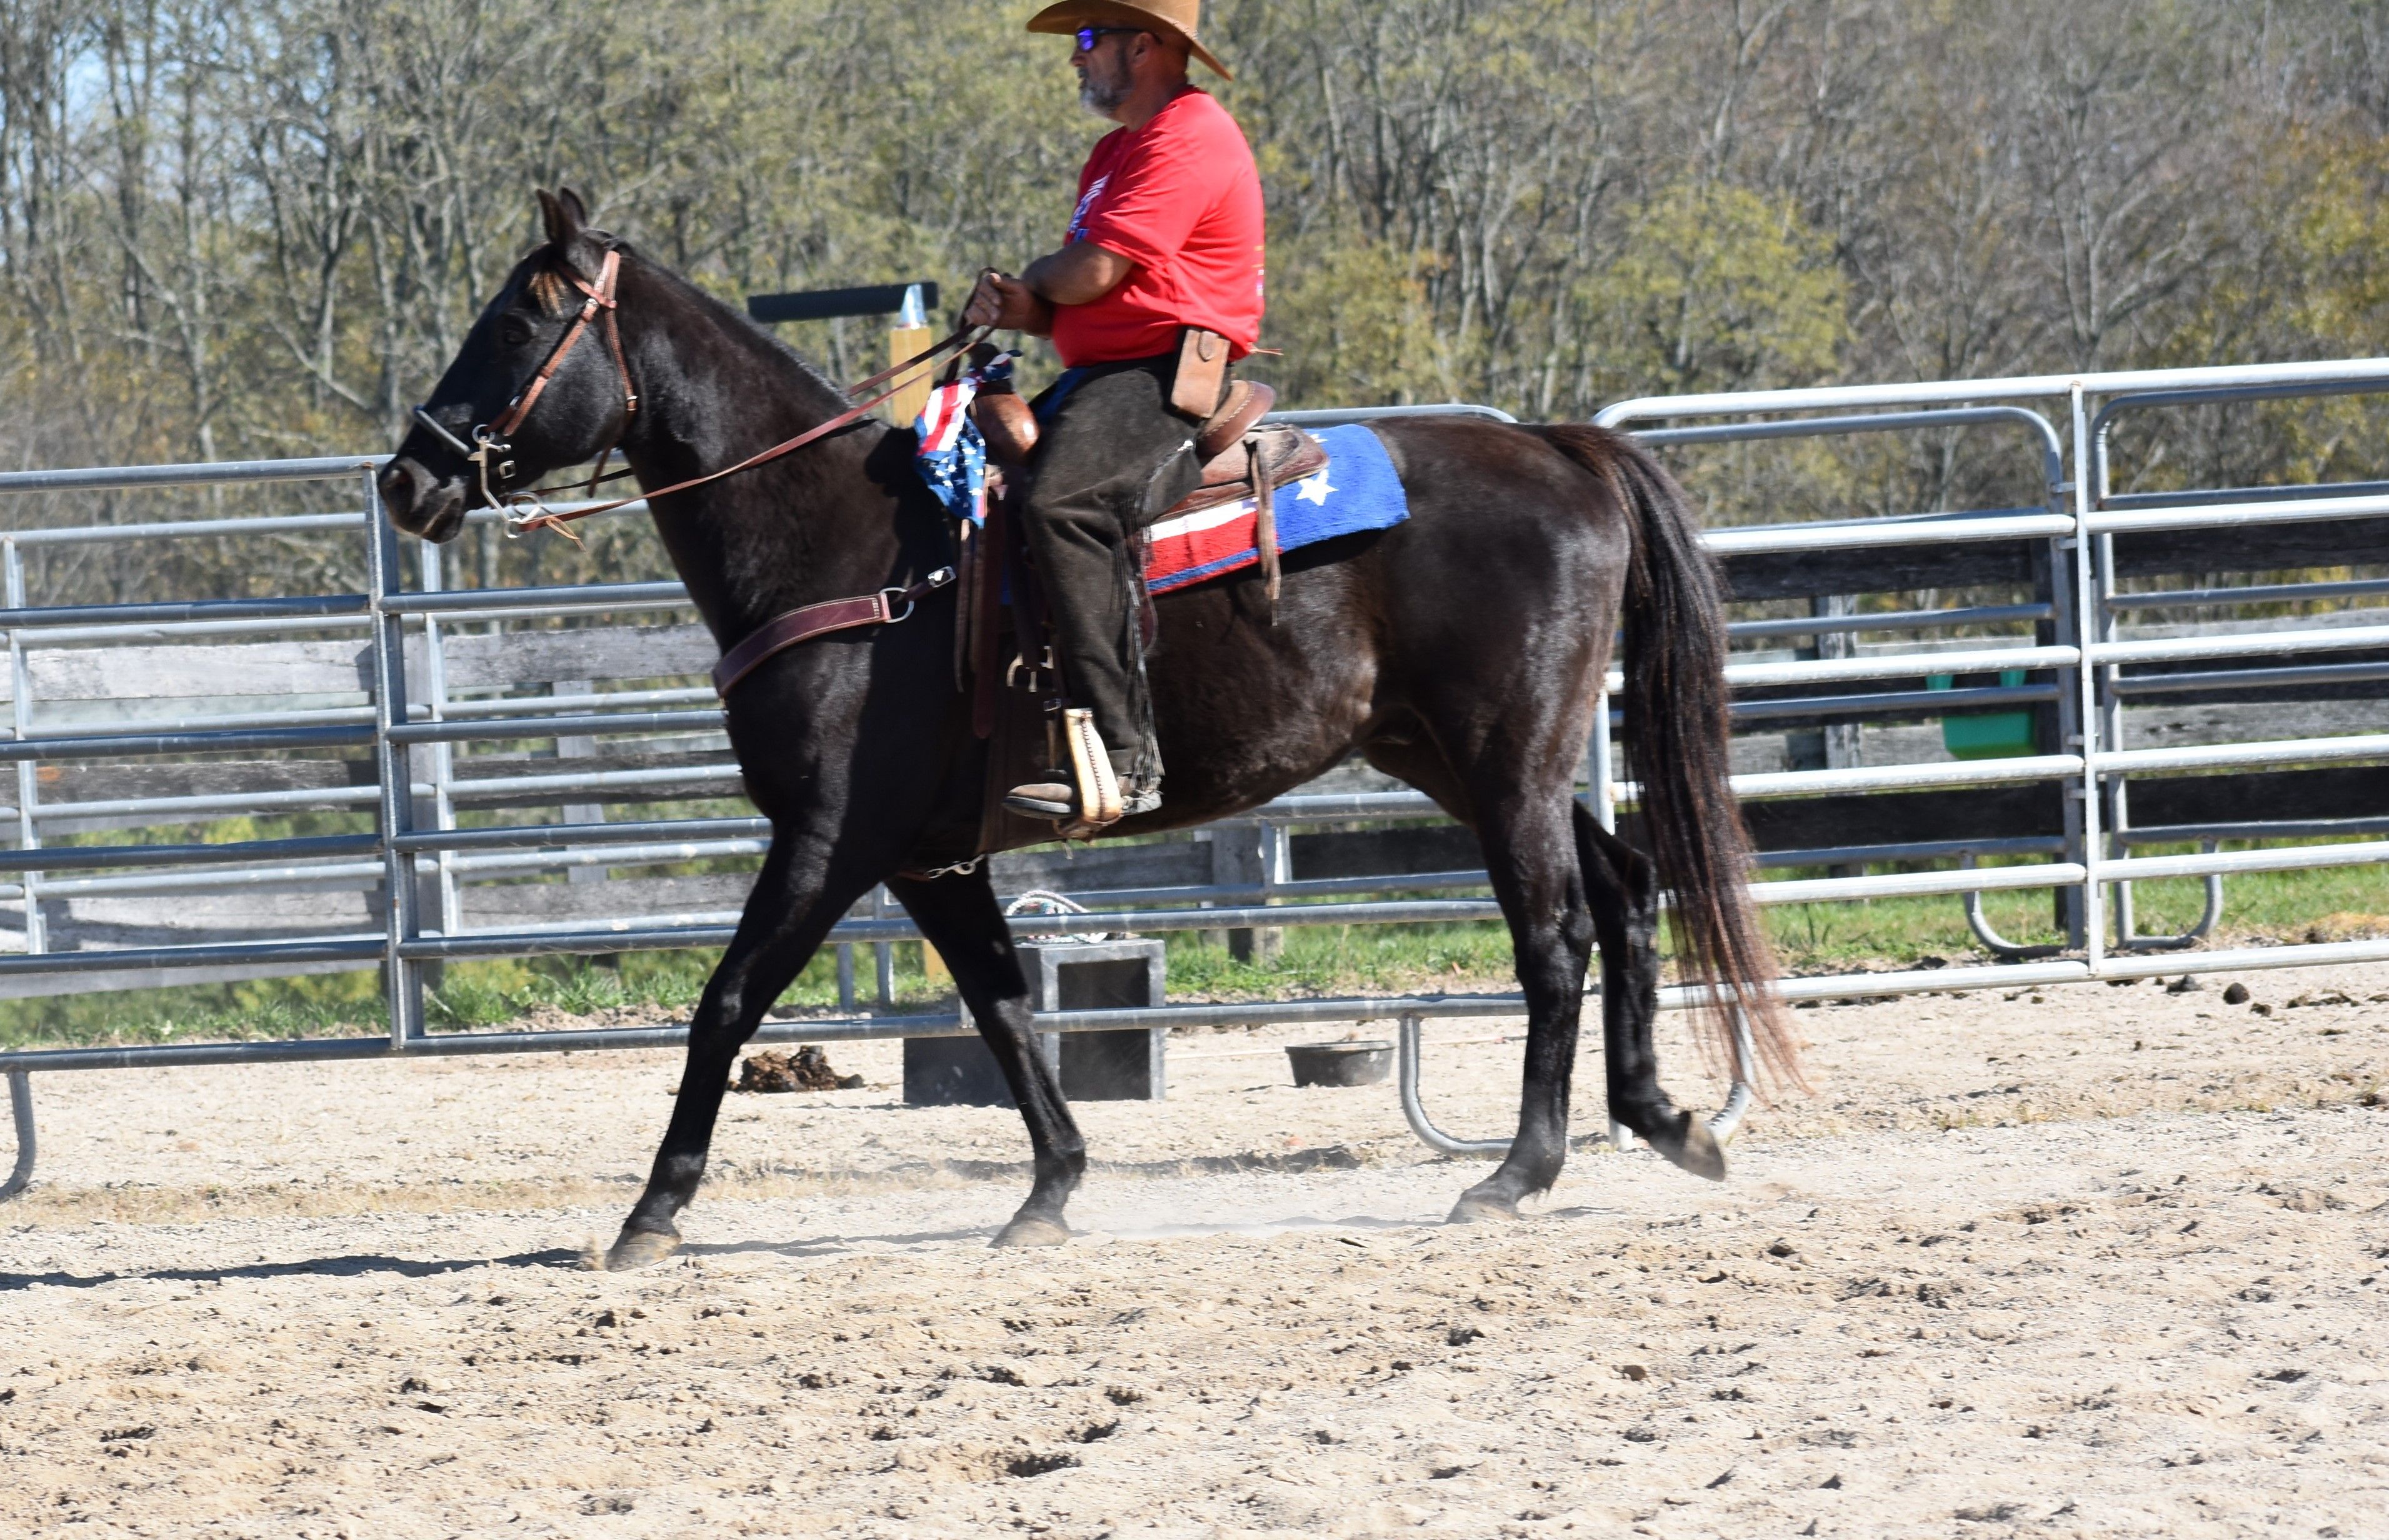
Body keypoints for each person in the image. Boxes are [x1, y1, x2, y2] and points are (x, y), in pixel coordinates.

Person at [964, 0, 1264, 826]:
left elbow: (1095, 272)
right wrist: (1024, 307)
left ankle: (1123, 761)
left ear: (1145, 48)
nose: (1075, 57)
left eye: (1088, 39)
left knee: (1062, 503)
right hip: (1104, 372)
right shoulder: (1114, 152)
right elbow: (1086, 297)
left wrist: (1032, 280)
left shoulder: (1189, 133)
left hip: (1161, 375)